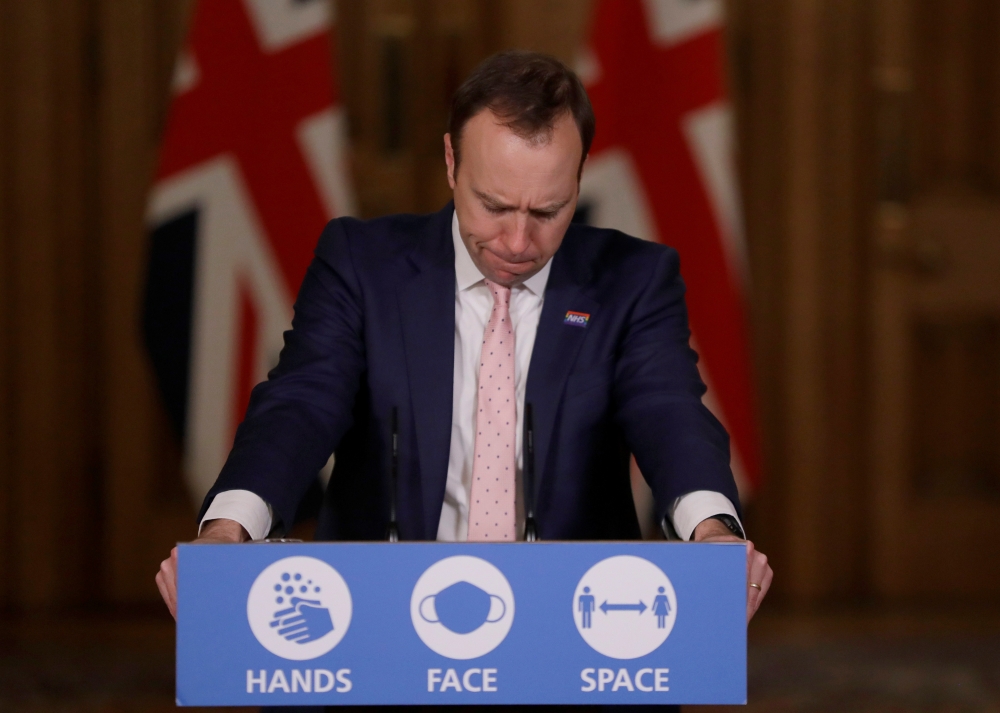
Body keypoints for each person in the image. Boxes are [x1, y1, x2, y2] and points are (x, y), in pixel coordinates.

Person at [156, 51, 773, 627]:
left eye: (546, 211)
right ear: (451, 162)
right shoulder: (362, 264)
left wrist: (713, 533)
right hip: (379, 616)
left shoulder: (631, 279)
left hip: (570, 625)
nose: (517, 242)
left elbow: (667, 411)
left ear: (580, 180)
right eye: (495, 206)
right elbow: (302, 401)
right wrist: (228, 531)